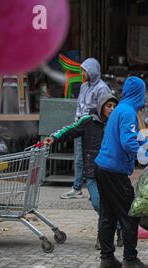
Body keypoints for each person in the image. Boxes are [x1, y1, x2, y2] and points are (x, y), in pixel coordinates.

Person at [95, 76, 148, 268]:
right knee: (130, 214)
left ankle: (107, 258)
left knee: (108, 216)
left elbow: (137, 138)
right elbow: (128, 143)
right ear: (138, 93)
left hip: (103, 169)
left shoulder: (120, 109)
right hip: (114, 172)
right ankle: (130, 260)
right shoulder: (128, 112)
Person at [44, 94, 122, 250]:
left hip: (111, 171)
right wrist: (54, 137)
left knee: (109, 204)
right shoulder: (87, 121)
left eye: (114, 106)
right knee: (98, 203)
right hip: (92, 171)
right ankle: (118, 226)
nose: (112, 109)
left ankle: (104, 236)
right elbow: (70, 130)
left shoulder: (117, 123)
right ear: (101, 106)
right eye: (108, 106)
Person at [61, 58, 111, 200]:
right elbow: (79, 105)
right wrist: (77, 120)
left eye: (85, 70)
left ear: (92, 71)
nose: (82, 73)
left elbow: (105, 110)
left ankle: (95, 189)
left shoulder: (102, 88)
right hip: (81, 126)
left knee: (93, 159)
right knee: (79, 159)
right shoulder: (84, 86)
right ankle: (77, 187)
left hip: (95, 129)